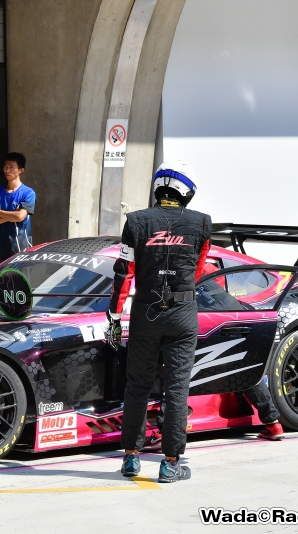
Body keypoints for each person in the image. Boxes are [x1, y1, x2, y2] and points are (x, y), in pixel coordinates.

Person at [105, 160, 211, 483]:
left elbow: (123, 274)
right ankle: (170, 463)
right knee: (177, 389)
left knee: (136, 385)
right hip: (182, 314)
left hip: (145, 313)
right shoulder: (203, 223)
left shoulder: (135, 222)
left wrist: (113, 316)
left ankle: (131, 459)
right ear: (186, 192)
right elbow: (198, 272)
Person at [197, 262, 284, 441]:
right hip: (235, 312)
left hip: (210, 317)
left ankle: (162, 431)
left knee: (178, 371)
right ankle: (273, 423)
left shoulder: (169, 272)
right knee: (245, 368)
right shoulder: (203, 265)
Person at [0, 152, 36, 262]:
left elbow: (20, 216)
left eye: (11, 167)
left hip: (21, 250)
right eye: (5, 166)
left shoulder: (28, 193)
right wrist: (12, 216)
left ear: (21, 170)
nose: (7, 170)